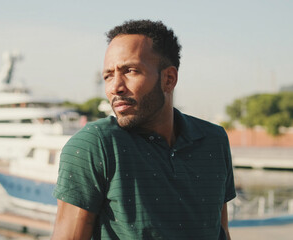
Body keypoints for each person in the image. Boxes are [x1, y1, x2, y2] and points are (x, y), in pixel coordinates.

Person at [51, 19, 236, 240]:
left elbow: (221, 230)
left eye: (130, 71)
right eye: (108, 76)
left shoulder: (213, 140)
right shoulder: (95, 145)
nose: (115, 87)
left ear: (169, 79)